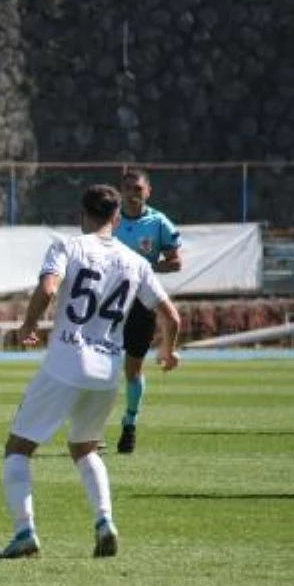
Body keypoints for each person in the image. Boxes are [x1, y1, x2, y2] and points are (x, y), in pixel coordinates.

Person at [0, 184, 180, 559]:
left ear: (82, 214)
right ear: (115, 218)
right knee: (84, 449)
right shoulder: (136, 262)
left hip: (66, 362)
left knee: (18, 448)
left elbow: (48, 289)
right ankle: (104, 522)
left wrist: (29, 324)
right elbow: (170, 315)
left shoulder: (69, 246)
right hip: (107, 372)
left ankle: (25, 532)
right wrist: (168, 351)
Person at [111, 168, 182, 454]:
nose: (132, 194)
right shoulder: (110, 220)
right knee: (98, 364)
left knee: (132, 368)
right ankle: (90, 429)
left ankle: (129, 422)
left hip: (142, 303)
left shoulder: (159, 222)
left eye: (137, 189)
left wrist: (145, 269)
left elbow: (175, 262)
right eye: (127, 188)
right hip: (110, 302)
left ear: (147, 191)